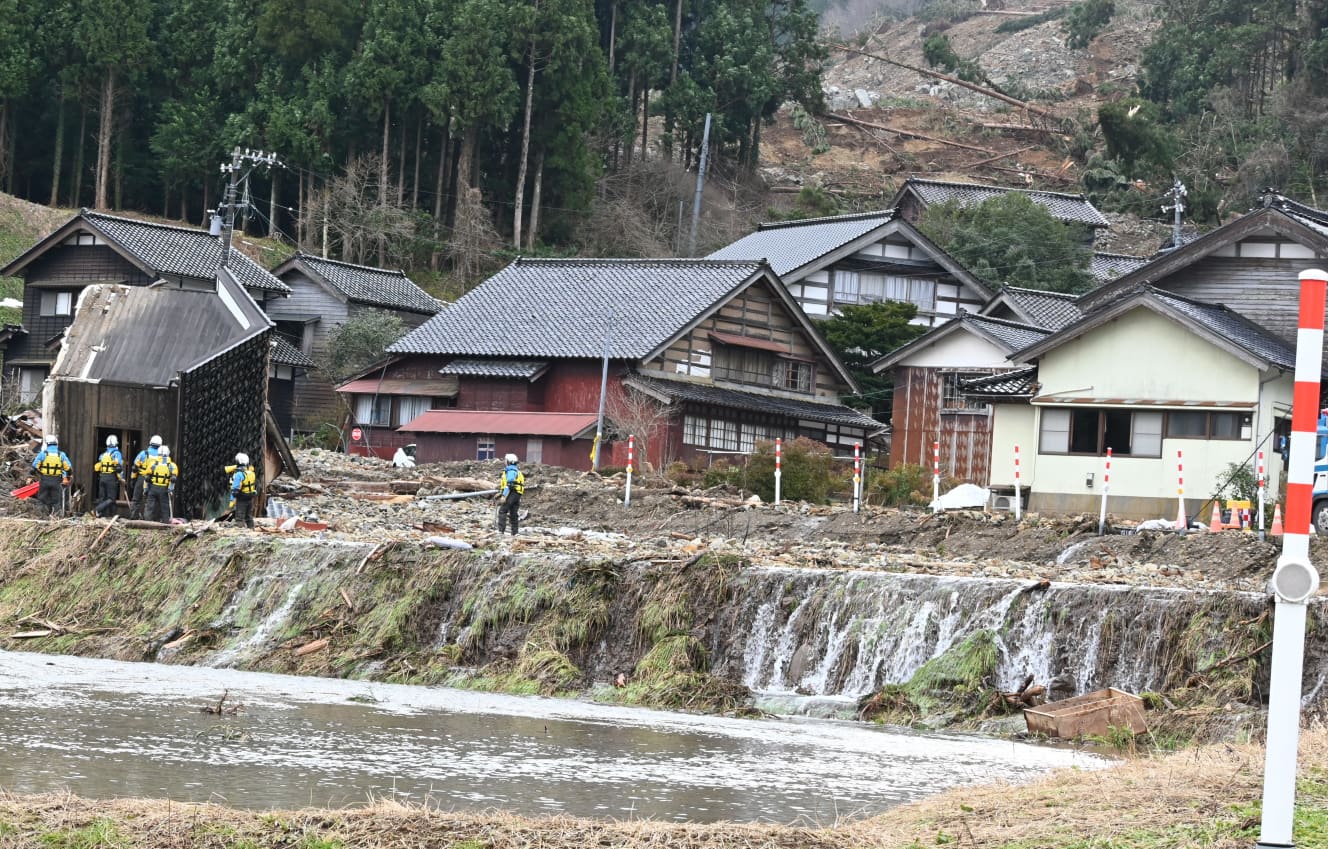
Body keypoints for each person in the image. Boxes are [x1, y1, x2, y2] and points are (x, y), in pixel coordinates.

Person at [31, 434, 71, 518]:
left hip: (44, 480)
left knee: (42, 500)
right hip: (56, 481)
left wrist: (32, 475)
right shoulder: (61, 455)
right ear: (56, 443)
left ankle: (41, 517)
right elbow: (68, 468)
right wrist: (67, 477)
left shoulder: (43, 454)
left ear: (47, 444)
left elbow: (34, 466)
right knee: (56, 501)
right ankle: (56, 518)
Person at [129, 435, 162, 519]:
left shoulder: (144, 453)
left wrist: (133, 478)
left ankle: (133, 517)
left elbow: (135, 467)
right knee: (150, 500)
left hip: (142, 477)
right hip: (154, 480)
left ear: (150, 443)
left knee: (136, 498)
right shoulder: (161, 456)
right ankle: (149, 518)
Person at [144, 444, 178, 523]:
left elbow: (146, 478)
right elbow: (173, 480)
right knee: (164, 507)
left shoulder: (152, 464)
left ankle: (147, 522)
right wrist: (170, 490)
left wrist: (145, 489)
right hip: (164, 489)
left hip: (153, 488)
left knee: (150, 506)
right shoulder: (172, 466)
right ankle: (165, 522)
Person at [93, 435, 124, 518]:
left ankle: (104, 516)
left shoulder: (103, 454)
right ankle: (97, 510)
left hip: (102, 477)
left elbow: (98, 466)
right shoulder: (117, 454)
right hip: (111, 478)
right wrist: (121, 479)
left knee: (102, 497)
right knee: (111, 498)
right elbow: (119, 468)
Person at [496, 453, 524, 536]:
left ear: (509, 462)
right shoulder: (516, 471)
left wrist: (504, 496)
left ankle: (501, 531)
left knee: (502, 510)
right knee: (513, 513)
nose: (504, 462)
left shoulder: (511, 471)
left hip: (512, 492)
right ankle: (515, 532)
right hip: (517, 494)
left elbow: (509, 485)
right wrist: (501, 493)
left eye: (505, 460)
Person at [228, 452, 257, 529]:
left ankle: (241, 531)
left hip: (242, 499)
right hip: (250, 497)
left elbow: (235, 490)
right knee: (249, 516)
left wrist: (232, 500)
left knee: (240, 517)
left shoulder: (239, 474)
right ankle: (251, 529)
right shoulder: (251, 473)